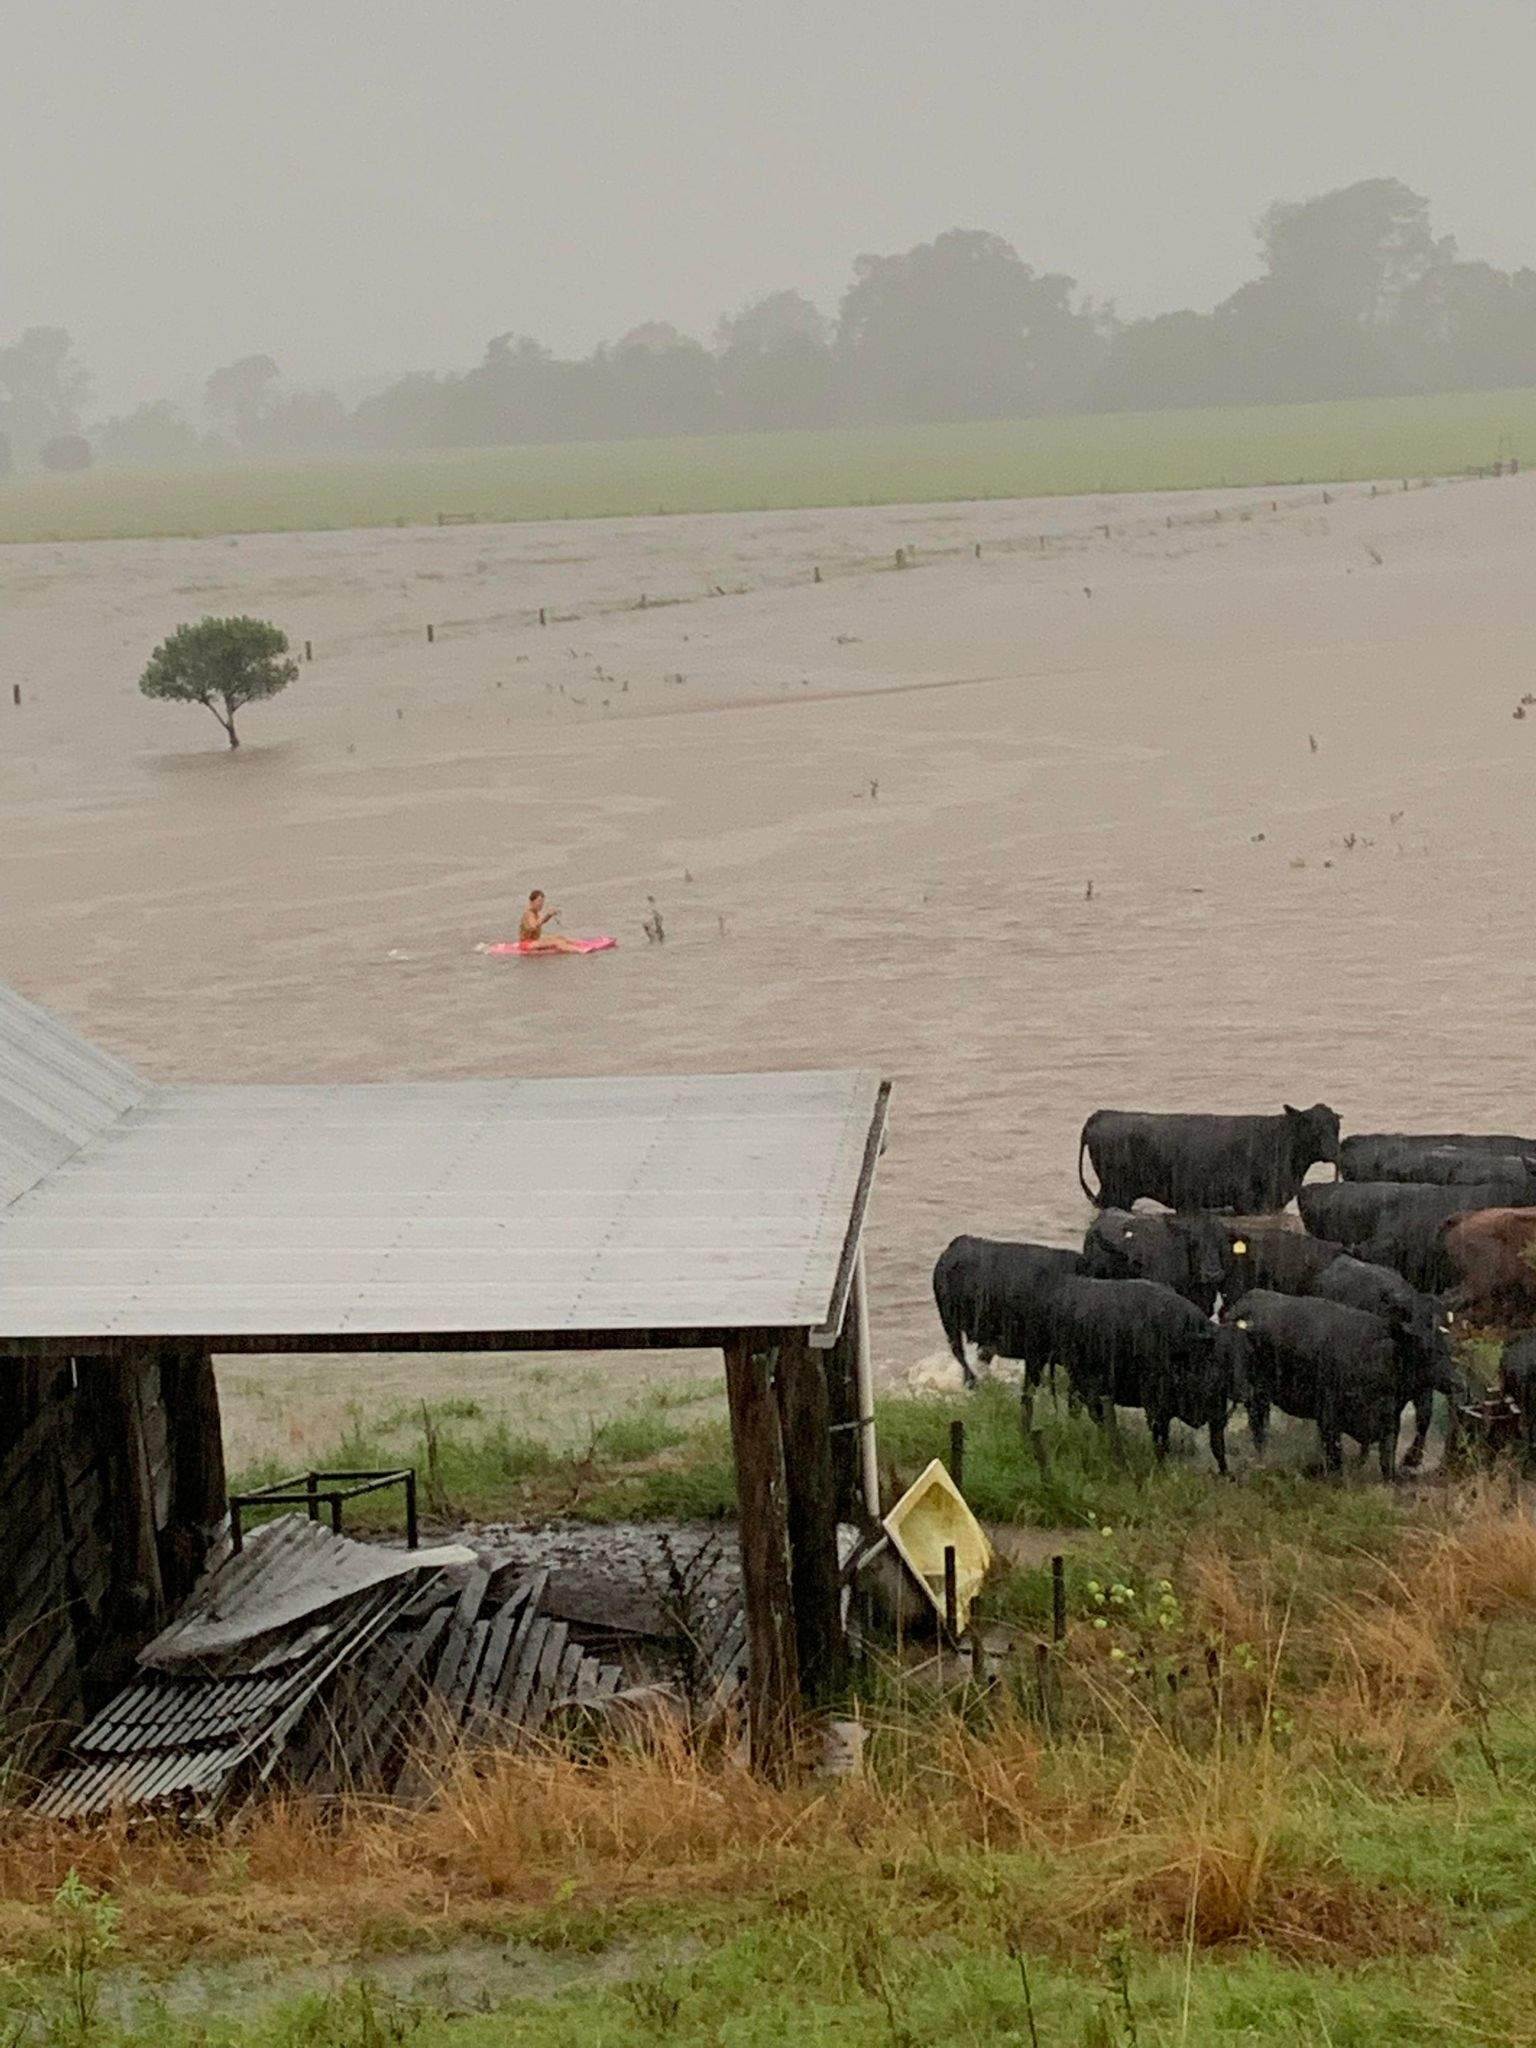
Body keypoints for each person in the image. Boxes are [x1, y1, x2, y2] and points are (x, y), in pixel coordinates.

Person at [518, 889, 581, 953]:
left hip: (535, 939)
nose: (541, 904)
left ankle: (579, 944)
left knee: (559, 937)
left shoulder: (535, 912)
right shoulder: (529, 914)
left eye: (542, 902)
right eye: (539, 901)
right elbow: (533, 926)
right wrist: (546, 915)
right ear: (531, 902)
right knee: (557, 942)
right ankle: (579, 951)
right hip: (527, 944)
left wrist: (549, 915)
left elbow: (540, 922)